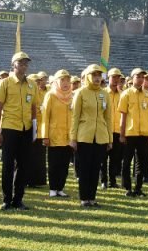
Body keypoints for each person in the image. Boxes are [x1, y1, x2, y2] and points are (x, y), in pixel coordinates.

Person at [0, 51, 35, 210]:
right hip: (10, 128)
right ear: (13, 64)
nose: (24, 65)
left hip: (26, 128)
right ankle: (7, 199)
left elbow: (33, 108)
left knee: (23, 165)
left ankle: (18, 199)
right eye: (20, 62)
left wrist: (35, 128)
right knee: (8, 165)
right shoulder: (5, 83)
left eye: (26, 63)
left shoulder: (32, 84)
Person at [70, 64, 111, 207]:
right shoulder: (81, 93)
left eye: (99, 75)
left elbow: (108, 118)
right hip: (84, 136)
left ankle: (92, 198)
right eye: (94, 75)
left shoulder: (105, 94)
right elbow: (75, 117)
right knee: (84, 168)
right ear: (87, 76)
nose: (97, 78)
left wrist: (110, 139)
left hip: (101, 136)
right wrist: (73, 138)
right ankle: (84, 198)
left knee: (95, 168)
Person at [119, 68, 148, 198]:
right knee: (127, 161)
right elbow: (123, 116)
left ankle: (138, 188)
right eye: (138, 77)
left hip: (144, 134)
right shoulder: (126, 94)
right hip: (130, 133)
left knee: (141, 162)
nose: (140, 79)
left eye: (142, 77)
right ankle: (128, 187)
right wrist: (122, 134)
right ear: (132, 78)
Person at [40, 70, 74, 198]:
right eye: (62, 80)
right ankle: (53, 188)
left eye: (67, 80)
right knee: (54, 164)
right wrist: (45, 136)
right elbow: (45, 117)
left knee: (65, 164)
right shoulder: (51, 95)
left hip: (68, 136)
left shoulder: (72, 96)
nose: (65, 83)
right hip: (54, 135)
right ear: (56, 82)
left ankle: (60, 188)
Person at [102, 68, 125, 190]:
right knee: (103, 157)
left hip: (117, 130)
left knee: (115, 158)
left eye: (118, 77)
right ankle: (103, 180)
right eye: (114, 77)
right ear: (108, 78)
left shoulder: (123, 94)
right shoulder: (103, 93)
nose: (116, 80)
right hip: (105, 129)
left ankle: (112, 181)